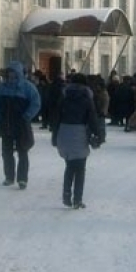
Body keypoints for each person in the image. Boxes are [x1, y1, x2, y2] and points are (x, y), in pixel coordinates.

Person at [50, 73, 103, 209]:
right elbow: (92, 118)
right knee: (80, 169)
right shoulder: (86, 98)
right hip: (80, 132)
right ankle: (77, 199)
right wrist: (98, 134)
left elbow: (56, 116)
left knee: (69, 166)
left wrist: (55, 135)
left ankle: (66, 195)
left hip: (64, 131)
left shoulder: (64, 96)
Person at [0, 61, 41, 189]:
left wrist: (27, 116)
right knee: (6, 152)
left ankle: (22, 178)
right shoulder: (2, 88)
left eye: (14, 74)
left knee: (23, 151)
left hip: (22, 125)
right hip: (6, 124)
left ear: (19, 74)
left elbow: (36, 103)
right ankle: (9, 176)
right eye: (9, 74)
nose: (11, 76)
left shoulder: (28, 87)